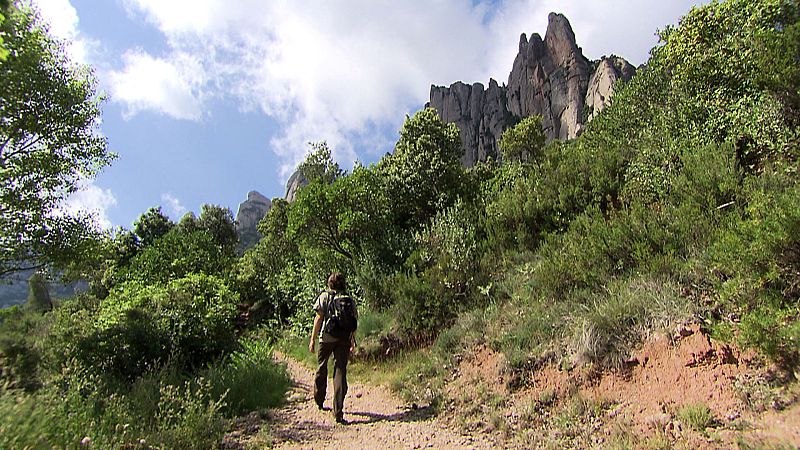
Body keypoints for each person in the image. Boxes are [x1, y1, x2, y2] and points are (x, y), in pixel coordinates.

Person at [309, 272, 357, 424]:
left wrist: (312, 339)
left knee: (322, 366)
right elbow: (354, 320)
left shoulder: (324, 297)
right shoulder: (349, 300)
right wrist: (352, 339)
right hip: (343, 338)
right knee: (340, 371)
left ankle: (319, 399)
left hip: (326, 338)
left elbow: (318, 318)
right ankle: (338, 411)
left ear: (329, 283)